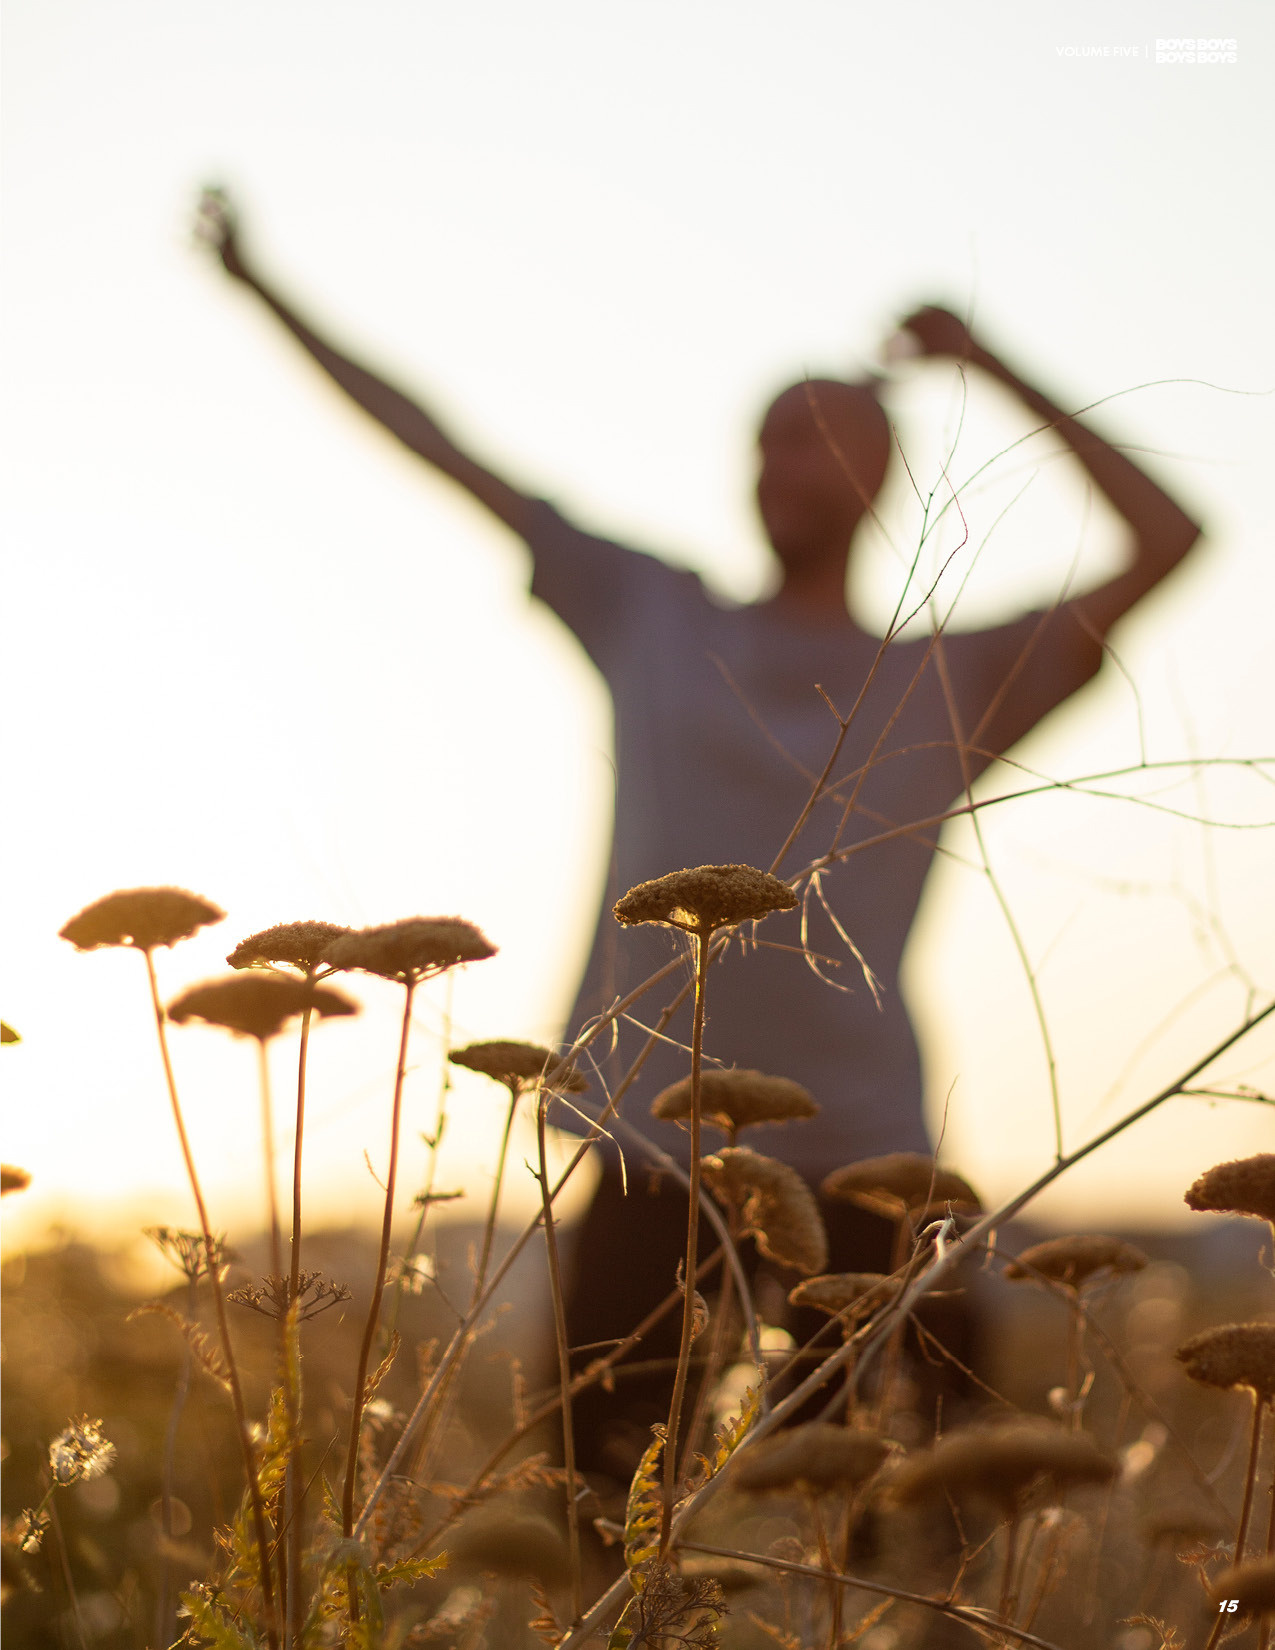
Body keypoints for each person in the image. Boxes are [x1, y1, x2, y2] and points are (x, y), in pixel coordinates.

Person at [197, 191, 1202, 1468]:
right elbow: (445, 449)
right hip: (644, 1148)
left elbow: (1172, 538)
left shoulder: (952, 680)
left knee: (928, 1505)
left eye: (828, 441)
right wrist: (257, 288)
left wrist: (987, 362)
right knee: (605, 1505)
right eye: (775, 440)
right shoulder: (652, 616)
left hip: (870, 1159)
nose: (795, 466)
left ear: (883, 477)